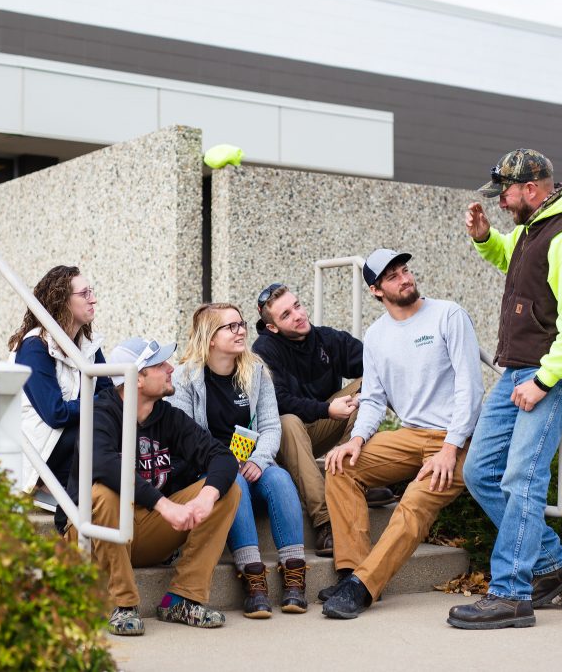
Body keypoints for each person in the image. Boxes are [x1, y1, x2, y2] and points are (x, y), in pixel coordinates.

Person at [448, 149, 562, 630]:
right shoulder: (533, 230)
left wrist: (543, 380)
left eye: (506, 193)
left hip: (545, 378)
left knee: (522, 478)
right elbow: (516, 267)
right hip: (516, 371)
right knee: (479, 472)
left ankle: (511, 594)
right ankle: (554, 562)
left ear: (532, 190)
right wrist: (484, 240)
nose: (500, 201)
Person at [320, 248, 484, 619]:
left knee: (415, 501)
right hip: (411, 435)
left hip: (457, 438)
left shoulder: (448, 315)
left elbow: (471, 389)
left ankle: (362, 588)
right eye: (392, 276)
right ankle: (353, 572)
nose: (405, 278)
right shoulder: (376, 336)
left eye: (405, 270)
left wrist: (451, 447)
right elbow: (374, 399)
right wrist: (356, 440)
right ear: (377, 290)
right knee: (341, 467)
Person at [65, 337, 241, 636]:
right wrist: (164, 504)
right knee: (104, 492)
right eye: (160, 365)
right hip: (92, 536)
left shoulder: (167, 416)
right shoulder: (101, 413)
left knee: (227, 490)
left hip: (142, 531)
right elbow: (104, 464)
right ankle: (122, 604)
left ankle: (183, 598)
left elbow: (221, 456)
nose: (171, 368)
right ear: (137, 378)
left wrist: (206, 498)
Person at [169, 303, 309, 618]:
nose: (241, 331)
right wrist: (225, 466)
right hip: (210, 470)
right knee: (233, 484)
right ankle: (253, 578)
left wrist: (259, 459)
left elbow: (272, 427)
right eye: (230, 327)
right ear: (210, 337)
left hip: (251, 464)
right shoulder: (186, 378)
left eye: (241, 324)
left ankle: (294, 576)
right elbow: (183, 439)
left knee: (280, 480)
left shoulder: (255, 370)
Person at [251, 283, 393, 558]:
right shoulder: (264, 350)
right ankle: (325, 523)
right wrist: (326, 410)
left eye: (297, 306)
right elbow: (276, 400)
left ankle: (354, 478)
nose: (298, 315)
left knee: (367, 386)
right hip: (281, 444)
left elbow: (374, 364)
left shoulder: (327, 339)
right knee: (289, 421)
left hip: (318, 431)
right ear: (273, 327)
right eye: (286, 315)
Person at [8, 265, 112, 531]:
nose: (93, 299)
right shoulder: (34, 347)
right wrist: (98, 406)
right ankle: (52, 488)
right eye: (85, 293)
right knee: (98, 432)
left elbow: (109, 394)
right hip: (42, 446)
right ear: (63, 301)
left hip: (70, 437)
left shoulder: (86, 346)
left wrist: (98, 406)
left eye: (92, 291)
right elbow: (55, 413)